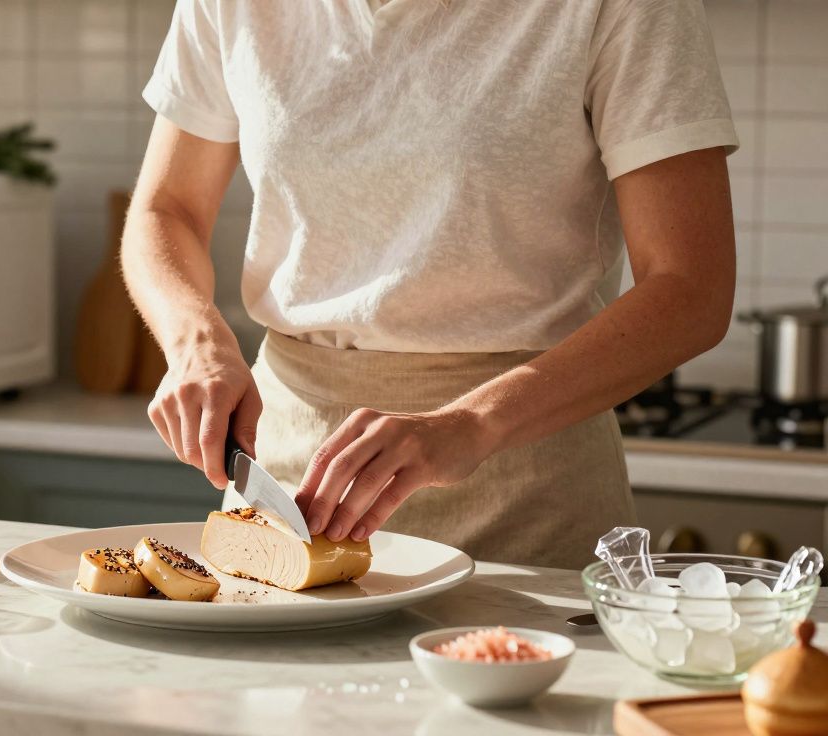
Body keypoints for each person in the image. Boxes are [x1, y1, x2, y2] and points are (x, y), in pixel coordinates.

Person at [121, 0, 737, 568]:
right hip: (288, 484)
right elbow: (167, 207)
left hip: (526, 486)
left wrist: (473, 423)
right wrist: (195, 343)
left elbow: (692, 287)